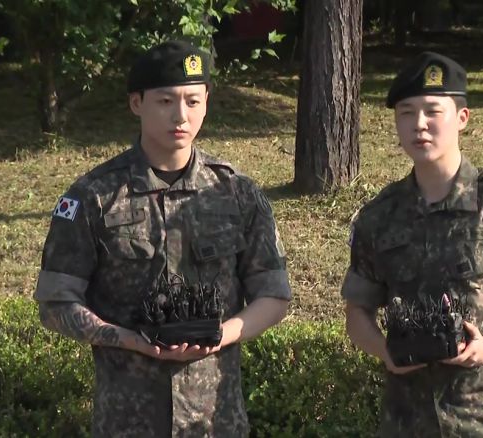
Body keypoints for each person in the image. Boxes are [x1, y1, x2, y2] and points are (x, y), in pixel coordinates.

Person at [34, 40, 291, 437]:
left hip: (215, 421)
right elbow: (55, 304)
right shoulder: (94, 196)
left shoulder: (236, 193)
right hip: (127, 421)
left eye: (192, 101)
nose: (180, 115)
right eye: (166, 101)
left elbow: (273, 295)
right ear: (136, 103)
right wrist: (129, 340)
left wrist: (221, 335)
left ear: (207, 101)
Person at [341, 52, 483, 437]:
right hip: (406, 423)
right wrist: (386, 353)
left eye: (433, 111)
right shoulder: (379, 217)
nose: (419, 124)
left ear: (462, 118)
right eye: (406, 113)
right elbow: (357, 313)